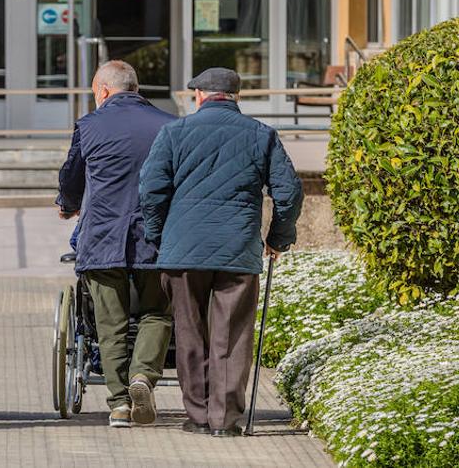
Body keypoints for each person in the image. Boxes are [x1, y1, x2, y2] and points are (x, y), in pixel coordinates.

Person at [139, 67, 303, 437]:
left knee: (190, 331)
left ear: (199, 95)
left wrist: (157, 236)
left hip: (182, 251)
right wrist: (278, 238)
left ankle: (197, 417)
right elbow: (289, 193)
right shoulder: (262, 135)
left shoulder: (174, 132)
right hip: (237, 250)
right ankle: (225, 421)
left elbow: (150, 190)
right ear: (236, 97)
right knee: (231, 335)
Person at [56, 60, 175, 428]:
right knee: (157, 311)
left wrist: (68, 205)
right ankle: (143, 377)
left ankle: (120, 404)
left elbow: (72, 176)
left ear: (103, 91)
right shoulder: (169, 126)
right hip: (153, 238)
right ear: (136, 89)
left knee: (110, 324)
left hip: (102, 237)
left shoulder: (89, 126)